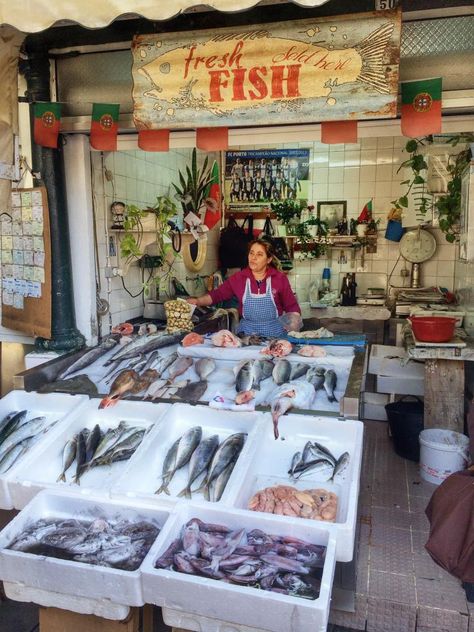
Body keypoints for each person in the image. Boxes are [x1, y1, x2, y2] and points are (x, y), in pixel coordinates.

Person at [187, 239, 301, 337]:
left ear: (269, 259)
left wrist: (292, 327)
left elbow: (292, 307)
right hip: (246, 335)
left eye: (259, 254)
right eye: (251, 253)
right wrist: (197, 301)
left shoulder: (279, 278)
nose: (253, 258)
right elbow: (217, 295)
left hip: (275, 334)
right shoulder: (239, 278)